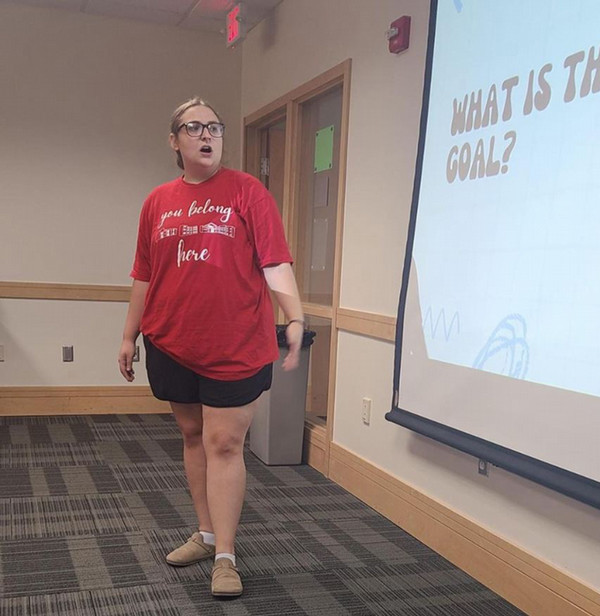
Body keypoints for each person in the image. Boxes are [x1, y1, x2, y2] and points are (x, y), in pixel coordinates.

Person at [118, 96, 304, 598]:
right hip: (171, 341)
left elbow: (275, 262)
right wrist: (129, 333)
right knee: (193, 435)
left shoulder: (248, 193)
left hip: (235, 346)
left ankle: (225, 556)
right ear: (174, 140)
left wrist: (294, 313)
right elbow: (144, 272)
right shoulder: (157, 201)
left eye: (215, 128)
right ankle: (203, 534)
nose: (207, 135)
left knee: (225, 443)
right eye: (194, 127)